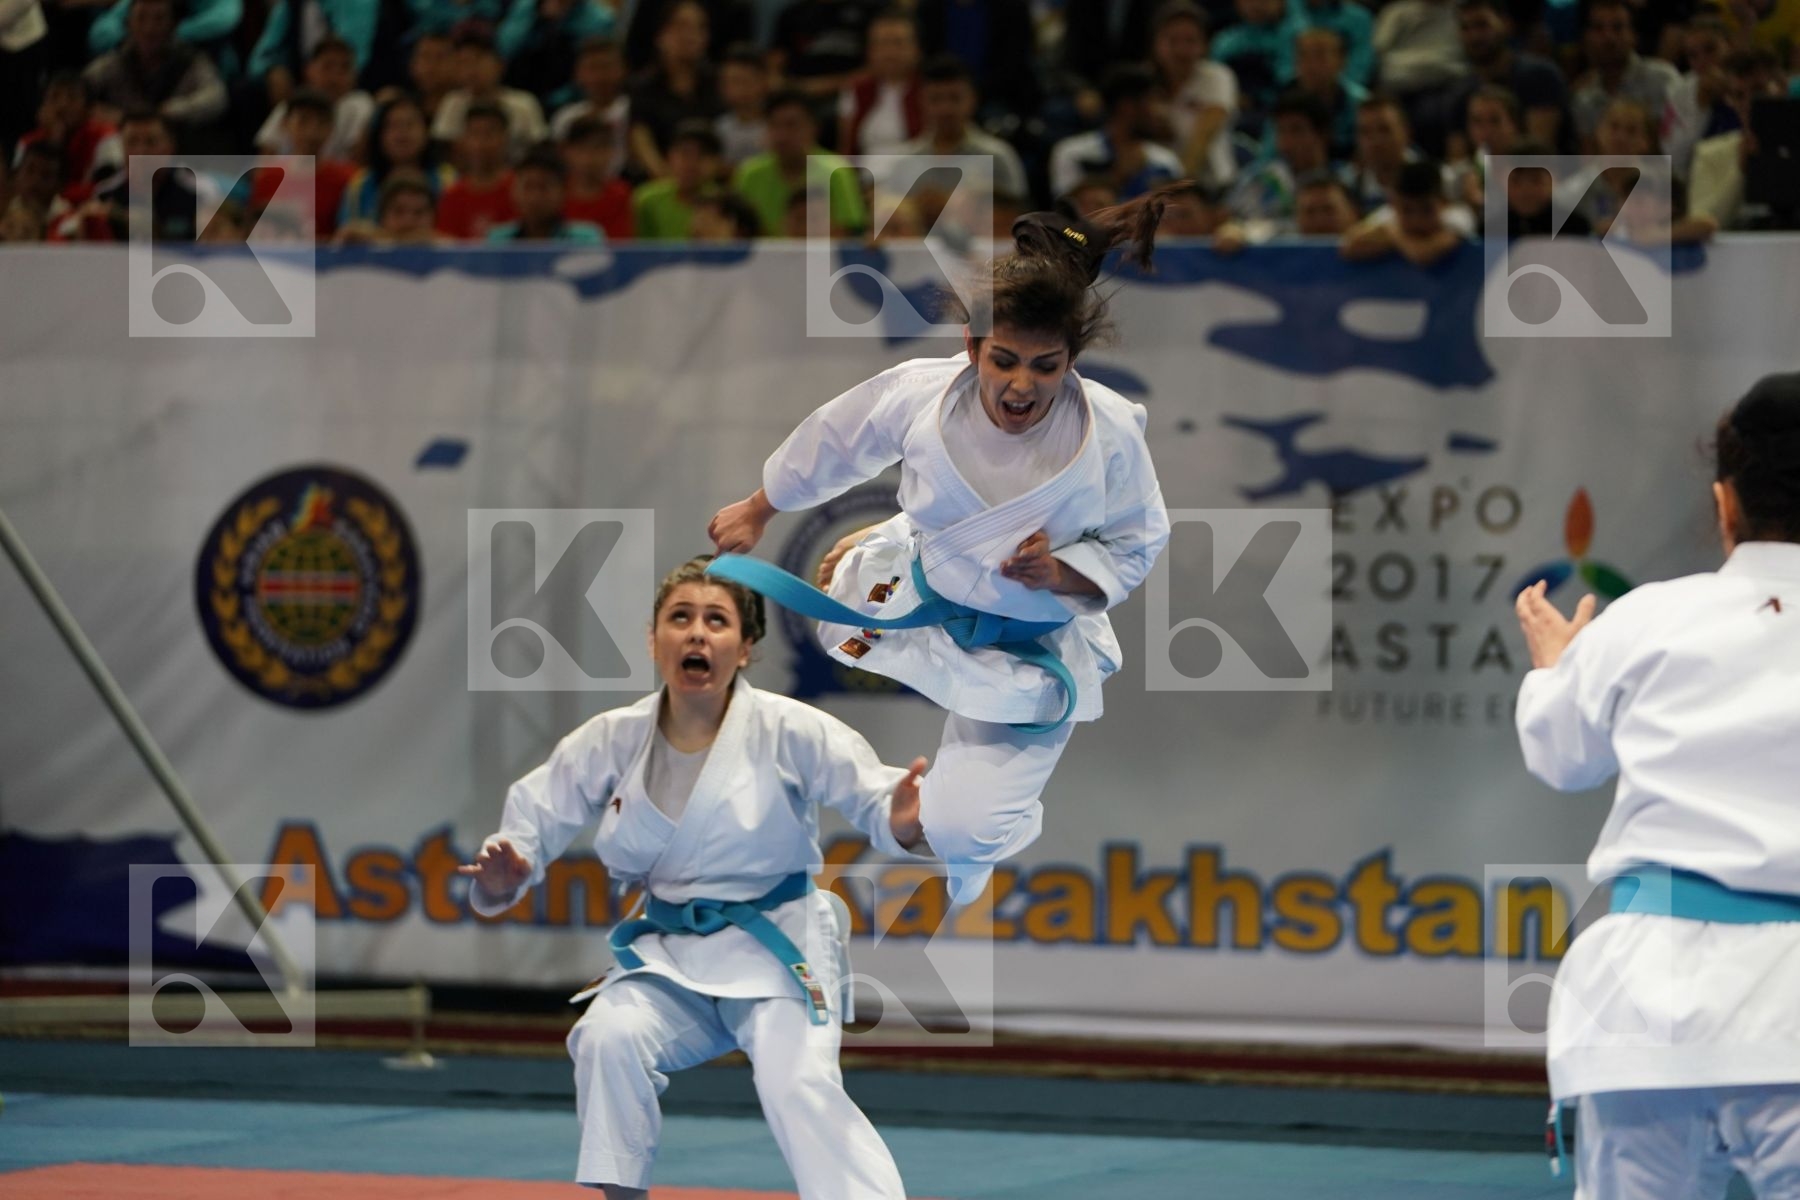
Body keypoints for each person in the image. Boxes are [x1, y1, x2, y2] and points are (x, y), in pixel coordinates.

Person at [706, 195, 1175, 905]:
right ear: (972, 347)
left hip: (1027, 649)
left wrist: (1061, 572)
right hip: (924, 591)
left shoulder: (1106, 431)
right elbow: (838, 440)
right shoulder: (926, 395)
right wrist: (759, 507)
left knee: (960, 833)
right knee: (842, 622)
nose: (1022, 385)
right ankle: (903, 534)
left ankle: (971, 831)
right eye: (1004, 360)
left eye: (1046, 366)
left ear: (1072, 360)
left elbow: (1139, 542)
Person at [461, 556, 924, 1198]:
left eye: (716, 620)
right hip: (671, 954)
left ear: (746, 648)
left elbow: (875, 794)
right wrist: (503, 873)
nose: (697, 632)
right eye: (680, 617)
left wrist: (902, 817)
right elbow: (530, 824)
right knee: (606, 1037)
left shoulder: (791, 729)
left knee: (798, 1084)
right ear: (654, 641)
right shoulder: (613, 739)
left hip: (778, 948)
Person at [1514, 371, 1800, 1200]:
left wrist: (1556, 671)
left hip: (1646, 1004)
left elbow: (1563, 759)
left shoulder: (1647, 619)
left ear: (1724, 504)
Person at [487, 142, 603, 240]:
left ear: (563, 191)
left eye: (544, 187)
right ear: (514, 192)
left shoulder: (585, 239)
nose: (535, 197)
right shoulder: (498, 239)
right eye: (528, 186)